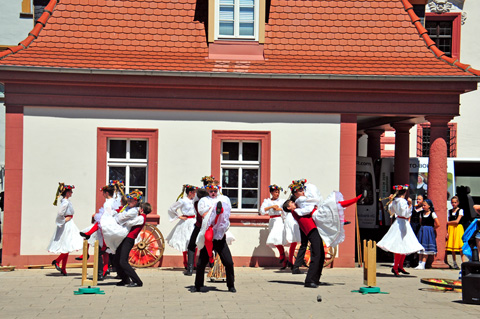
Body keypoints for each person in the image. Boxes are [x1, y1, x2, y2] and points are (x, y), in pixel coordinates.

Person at [193, 182, 235, 293]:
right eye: (211, 191)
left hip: (219, 236)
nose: (213, 193)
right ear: (208, 191)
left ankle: (231, 285)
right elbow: (203, 213)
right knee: (201, 263)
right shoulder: (204, 200)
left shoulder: (223, 198)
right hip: (209, 233)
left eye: (215, 191)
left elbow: (227, 213)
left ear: (218, 191)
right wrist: (213, 211)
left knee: (229, 262)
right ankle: (198, 285)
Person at [377, 185, 424, 276]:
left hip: (399, 221)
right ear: (405, 192)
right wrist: (410, 205)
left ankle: (399, 266)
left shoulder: (395, 201)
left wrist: (391, 201)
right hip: (403, 222)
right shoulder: (403, 201)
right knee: (401, 245)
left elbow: (391, 212)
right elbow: (405, 213)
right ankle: (396, 267)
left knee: (403, 244)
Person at [47, 184, 83, 276]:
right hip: (67, 225)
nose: (72, 193)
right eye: (70, 191)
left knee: (67, 246)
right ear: (67, 193)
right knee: (68, 244)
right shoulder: (65, 202)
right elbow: (60, 213)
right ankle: (57, 261)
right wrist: (64, 220)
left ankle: (63, 268)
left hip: (69, 223)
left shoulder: (66, 201)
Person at [115, 200, 151, 287]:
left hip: (129, 240)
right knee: (117, 258)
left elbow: (129, 223)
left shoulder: (141, 218)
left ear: (141, 209)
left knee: (123, 261)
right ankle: (125, 279)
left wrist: (122, 216)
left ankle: (137, 281)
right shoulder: (141, 217)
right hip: (126, 238)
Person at [185, 176, 214, 276]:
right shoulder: (210, 201)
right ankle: (212, 266)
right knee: (211, 246)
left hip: (199, 225)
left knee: (192, 246)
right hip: (208, 227)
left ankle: (190, 269)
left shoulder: (197, 202)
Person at [166, 184, 197, 270]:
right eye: (194, 192)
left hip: (194, 221)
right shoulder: (183, 200)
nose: (195, 194)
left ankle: (193, 262)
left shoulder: (195, 200)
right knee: (185, 241)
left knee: (195, 241)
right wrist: (179, 216)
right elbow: (171, 208)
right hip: (186, 222)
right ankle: (186, 262)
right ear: (190, 192)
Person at [259, 184, 288, 269]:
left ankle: (283, 257)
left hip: (279, 220)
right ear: (271, 192)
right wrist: (271, 207)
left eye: (278, 192)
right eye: (276, 192)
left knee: (277, 237)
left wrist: (279, 209)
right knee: (275, 239)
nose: (277, 194)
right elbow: (262, 210)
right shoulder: (267, 201)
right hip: (272, 220)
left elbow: (286, 209)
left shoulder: (281, 201)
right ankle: (283, 257)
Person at [415, 198, 440, 269]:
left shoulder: (432, 213)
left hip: (428, 231)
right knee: (421, 247)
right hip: (422, 230)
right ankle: (419, 263)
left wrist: (432, 229)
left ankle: (423, 263)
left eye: (425, 205)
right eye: (423, 205)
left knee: (426, 248)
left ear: (429, 206)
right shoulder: (421, 213)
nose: (423, 207)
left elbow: (438, 224)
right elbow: (420, 222)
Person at [446, 196, 466, 269]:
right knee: (452, 247)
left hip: (458, 228)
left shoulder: (460, 210)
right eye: (452, 202)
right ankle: (454, 263)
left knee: (460, 246)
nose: (453, 204)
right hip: (451, 229)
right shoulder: (450, 211)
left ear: (458, 203)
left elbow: (457, 221)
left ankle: (463, 263)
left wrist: (448, 222)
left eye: (455, 202)